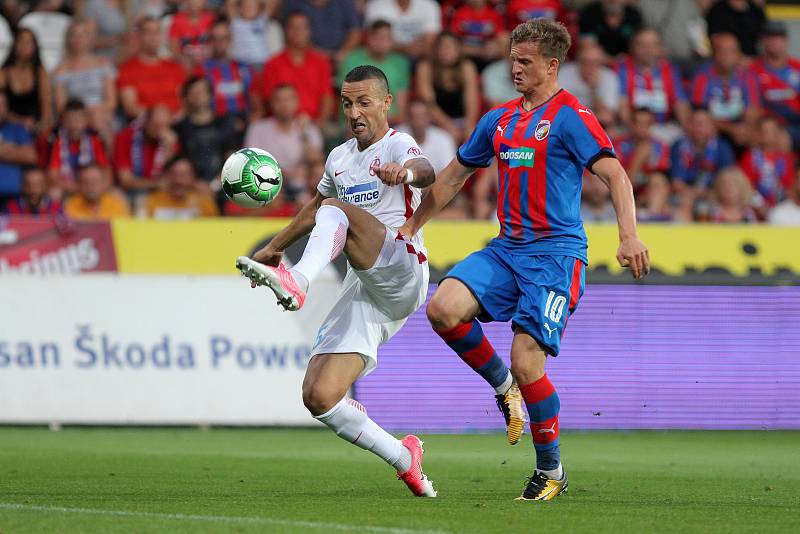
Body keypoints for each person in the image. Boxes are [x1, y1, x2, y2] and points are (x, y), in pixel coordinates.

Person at [398, 19, 649, 501]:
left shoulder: (572, 115)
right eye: (513, 59)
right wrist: (413, 225)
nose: (514, 68)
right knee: (443, 308)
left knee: (527, 357)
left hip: (556, 257)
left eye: (525, 62)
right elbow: (452, 177)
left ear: (553, 66)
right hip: (507, 249)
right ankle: (503, 387)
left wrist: (629, 235)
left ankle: (551, 470)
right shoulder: (499, 120)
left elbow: (616, 176)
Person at [236, 65, 437, 497]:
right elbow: (316, 206)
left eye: (364, 102)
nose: (355, 112)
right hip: (366, 287)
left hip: (402, 268)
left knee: (337, 210)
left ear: (387, 103)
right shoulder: (339, 158)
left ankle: (299, 281)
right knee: (319, 395)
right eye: (347, 103)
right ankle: (405, 457)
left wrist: (405, 174)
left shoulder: (398, 144)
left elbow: (427, 171)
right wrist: (274, 245)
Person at [245, 84, 323, 204]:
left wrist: (303, 133)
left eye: (288, 100)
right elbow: (251, 164)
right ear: (272, 104)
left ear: (296, 102)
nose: (283, 105)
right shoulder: (258, 128)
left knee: (319, 172)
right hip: (269, 182)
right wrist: (285, 173)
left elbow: (316, 160)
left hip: (302, 182)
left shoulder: (308, 128)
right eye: (278, 100)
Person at [259, 11, 333, 126]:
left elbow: (327, 98)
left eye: (303, 27)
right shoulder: (272, 64)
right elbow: (269, 101)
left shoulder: (321, 62)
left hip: (314, 124)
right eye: (294, 27)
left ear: (309, 31)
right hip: (282, 124)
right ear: (285, 31)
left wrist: (318, 126)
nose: (298, 31)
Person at [617, 28, 690, 143]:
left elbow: (680, 104)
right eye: (642, 45)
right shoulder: (623, 69)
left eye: (653, 45)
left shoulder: (670, 70)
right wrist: (635, 129)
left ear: (660, 48)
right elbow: (622, 106)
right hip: (630, 128)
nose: (648, 50)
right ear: (633, 48)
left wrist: (689, 129)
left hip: (662, 128)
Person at [691, 33, 759, 148]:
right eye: (722, 51)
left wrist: (745, 129)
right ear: (714, 54)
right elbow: (700, 115)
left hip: (741, 128)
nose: (726, 56)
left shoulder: (748, 76)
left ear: (738, 54)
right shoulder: (702, 77)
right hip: (714, 127)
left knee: (764, 137)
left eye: (731, 51)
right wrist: (731, 129)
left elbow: (753, 109)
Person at [52, 18, 117, 138]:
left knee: (101, 120)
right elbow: (61, 106)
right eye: (74, 35)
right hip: (74, 115)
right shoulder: (60, 70)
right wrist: (84, 115)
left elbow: (111, 101)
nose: (78, 39)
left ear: (89, 38)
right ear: (68, 39)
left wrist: (94, 112)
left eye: (82, 35)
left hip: (101, 114)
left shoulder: (103, 63)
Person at [337, 20, 410, 125]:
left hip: (390, 122)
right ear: (369, 38)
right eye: (379, 38)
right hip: (356, 119)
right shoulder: (351, 60)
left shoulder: (400, 63)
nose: (383, 43)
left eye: (387, 38)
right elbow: (346, 99)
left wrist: (390, 120)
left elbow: (401, 106)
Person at [670, 107, 735, 221]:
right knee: (685, 201)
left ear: (712, 126)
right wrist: (692, 194)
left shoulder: (722, 148)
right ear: (689, 125)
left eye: (704, 123)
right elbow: (676, 183)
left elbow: (727, 180)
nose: (699, 127)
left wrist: (703, 193)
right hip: (684, 195)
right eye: (696, 123)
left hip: (713, 194)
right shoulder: (679, 146)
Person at [198, 17, 260, 133]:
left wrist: (247, 124)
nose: (219, 43)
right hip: (214, 124)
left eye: (224, 38)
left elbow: (257, 108)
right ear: (209, 40)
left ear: (230, 39)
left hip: (243, 123)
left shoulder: (244, 68)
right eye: (215, 38)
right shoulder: (202, 70)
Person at [118, 16, 188, 119]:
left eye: (157, 32)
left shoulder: (175, 67)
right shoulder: (127, 69)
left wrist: (175, 118)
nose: (154, 37)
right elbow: (131, 107)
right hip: (146, 125)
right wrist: (159, 119)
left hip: (177, 122)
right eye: (149, 32)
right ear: (139, 37)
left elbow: (185, 101)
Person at [415, 33, 480, 143]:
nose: (447, 50)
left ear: (459, 50)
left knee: (474, 137)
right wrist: (448, 126)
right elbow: (429, 103)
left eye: (451, 46)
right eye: (443, 46)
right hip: (433, 122)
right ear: (436, 50)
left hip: (462, 121)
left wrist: (469, 127)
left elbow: (472, 101)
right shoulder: (425, 67)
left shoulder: (467, 67)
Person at [748, 21, 800, 150]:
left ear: (786, 41)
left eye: (777, 37)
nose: (773, 41)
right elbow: (753, 107)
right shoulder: (754, 70)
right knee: (779, 138)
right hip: (771, 124)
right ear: (763, 41)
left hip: (797, 121)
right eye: (769, 37)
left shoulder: (797, 67)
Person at [173, 76, 236, 184]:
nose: (198, 96)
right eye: (194, 92)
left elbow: (232, 160)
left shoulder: (225, 123)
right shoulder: (179, 128)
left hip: (223, 185)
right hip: (188, 186)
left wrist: (215, 185)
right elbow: (178, 163)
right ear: (186, 97)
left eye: (202, 91)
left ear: (210, 95)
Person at [46, 99, 110, 197]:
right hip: (69, 187)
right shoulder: (57, 142)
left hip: (92, 186)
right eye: (70, 120)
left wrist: (99, 188)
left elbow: (106, 171)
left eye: (78, 120)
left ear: (86, 121)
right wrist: (75, 188)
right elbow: (52, 176)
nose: (74, 125)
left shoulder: (95, 141)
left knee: (116, 196)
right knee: (54, 193)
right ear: (63, 121)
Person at [113, 105, 180, 194]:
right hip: (132, 194)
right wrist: (156, 184)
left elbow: (175, 178)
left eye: (164, 126)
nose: (159, 131)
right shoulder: (126, 137)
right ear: (146, 122)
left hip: (161, 194)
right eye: (156, 125)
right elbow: (126, 181)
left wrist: (170, 148)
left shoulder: (171, 141)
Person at [738, 116, 795, 212]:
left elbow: (789, 186)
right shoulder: (750, 156)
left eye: (772, 131)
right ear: (758, 134)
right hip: (754, 208)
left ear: (778, 134)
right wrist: (760, 205)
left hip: (780, 207)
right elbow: (746, 185)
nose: (768, 134)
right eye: (764, 131)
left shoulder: (785, 158)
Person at [0, 28, 52, 132]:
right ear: (15, 45)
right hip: (9, 125)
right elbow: (2, 110)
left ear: (35, 47)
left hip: (36, 127)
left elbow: (46, 106)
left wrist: (40, 127)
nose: (24, 46)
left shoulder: (40, 72)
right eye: (21, 41)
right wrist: (20, 121)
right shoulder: (4, 73)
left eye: (28, 42)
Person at [560, 41, 619, 126]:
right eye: (585, 62)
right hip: (568, 125)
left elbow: (607, 117)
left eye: (595, 63)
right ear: (578, 62)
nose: (590, 67)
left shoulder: (609, 77)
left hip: (596, 127)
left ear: (601, 63)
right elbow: (558, 109)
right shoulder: (565, 73)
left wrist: (593, 89)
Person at [281, 0, 360, 62]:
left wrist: (343, 53)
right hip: (306, 55)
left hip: (342, 57)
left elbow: (355, 31)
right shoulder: (294, 3)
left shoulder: (345, 2)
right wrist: (318, 55)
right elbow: (291, 31)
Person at [144, 155, 219, 218]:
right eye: (174, 174)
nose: (179, 180)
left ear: (193, 177)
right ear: (166, 175)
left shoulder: (204, 203)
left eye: (184, 175)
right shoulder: (151, 202)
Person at [364, 0, 441, 60]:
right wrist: (405, 49)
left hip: (421, 55)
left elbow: (431, 40)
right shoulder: (377, 5)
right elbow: (375, 40)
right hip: (389, 55)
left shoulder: (429, 4)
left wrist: (413, 49)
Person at [397, 98, 457, 174]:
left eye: (422, 117)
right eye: (414, 117)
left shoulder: (444, 139)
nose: (419, 121)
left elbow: (449, 173)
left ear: (429, 118)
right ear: (408, 118)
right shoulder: (396, 138)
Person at [0, 93, 37, 204]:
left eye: (2, 104)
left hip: (14, 197)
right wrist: (13, 150)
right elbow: (23, 153)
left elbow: (31, 156)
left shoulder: (17, 129)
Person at [448, 0, 507, 70]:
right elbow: (451, 40)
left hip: (489, 57)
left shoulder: (494, 15)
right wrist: (478, 51)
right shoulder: (460, 14)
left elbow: (502, 39)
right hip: (465, 57)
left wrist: (494, 47)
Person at [64, 163, 130, 220]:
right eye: (86, 182)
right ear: (79, 185)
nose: (91, 186)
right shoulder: (69, 207)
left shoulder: (117, 205)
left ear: (103, 183)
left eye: (95, 181)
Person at [169, 0, 216, 68]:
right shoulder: (177, 20)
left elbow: (216, 44)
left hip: (207, 65)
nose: (194, 2)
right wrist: (183, 60)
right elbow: (174, 48)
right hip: (184, 65)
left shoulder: (211, 20)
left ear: (204, 1)